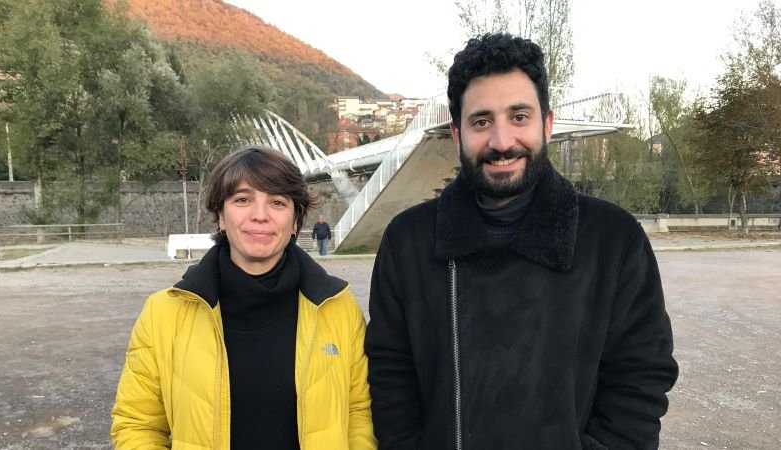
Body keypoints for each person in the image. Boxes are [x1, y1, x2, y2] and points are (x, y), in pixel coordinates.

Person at [365, 33, 678, 450]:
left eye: (518, 117)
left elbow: (640, 379)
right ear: (457, 134)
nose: (501, 142)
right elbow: (391, 380)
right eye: (481, 122)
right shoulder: (408, 241)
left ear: (546, 124)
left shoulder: (613, 239)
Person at [112, 146, 376, 450]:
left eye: (277, 202)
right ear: (221, 216)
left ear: (295, 221)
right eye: (242, 199)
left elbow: (358, 415)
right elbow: (137, 424)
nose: (260, 215)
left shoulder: (337, 309)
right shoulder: (164, 314)